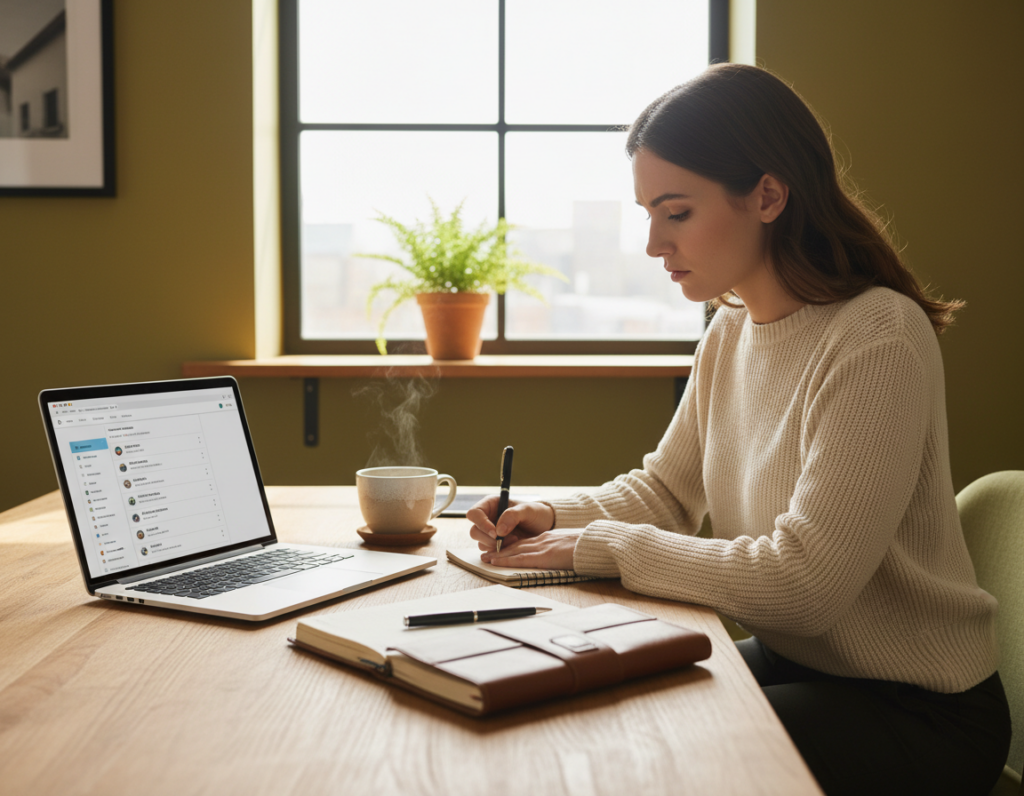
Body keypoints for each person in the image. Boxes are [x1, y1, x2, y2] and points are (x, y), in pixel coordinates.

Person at [467, 64, 1010, 796]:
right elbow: (666, 491)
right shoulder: (729, 331)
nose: (655, 242)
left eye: (676, 211)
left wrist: (603, 544)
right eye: (648, 213)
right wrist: (553, 516)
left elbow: (805, 583)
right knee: (585, 708)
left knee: (653, 757)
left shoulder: (879, 336)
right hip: (802, 666)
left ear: (767, 195)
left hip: (916, 710)